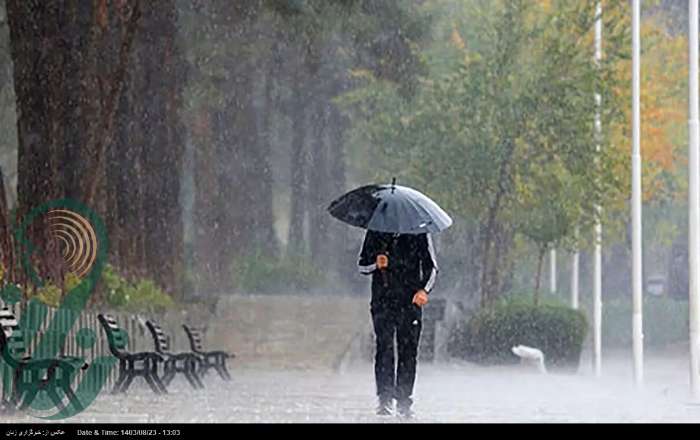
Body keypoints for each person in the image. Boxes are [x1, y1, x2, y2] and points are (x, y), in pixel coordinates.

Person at [357, 229, 438, 418]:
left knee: (408, 351)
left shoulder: (420, 231)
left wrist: (424, 290)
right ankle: (384, 398)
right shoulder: (376, 231)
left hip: (410, 301)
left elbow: (431, 266)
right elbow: (362, 265)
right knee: (384, 347)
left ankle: (404, 401)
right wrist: (375, 264)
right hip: (382, 301)